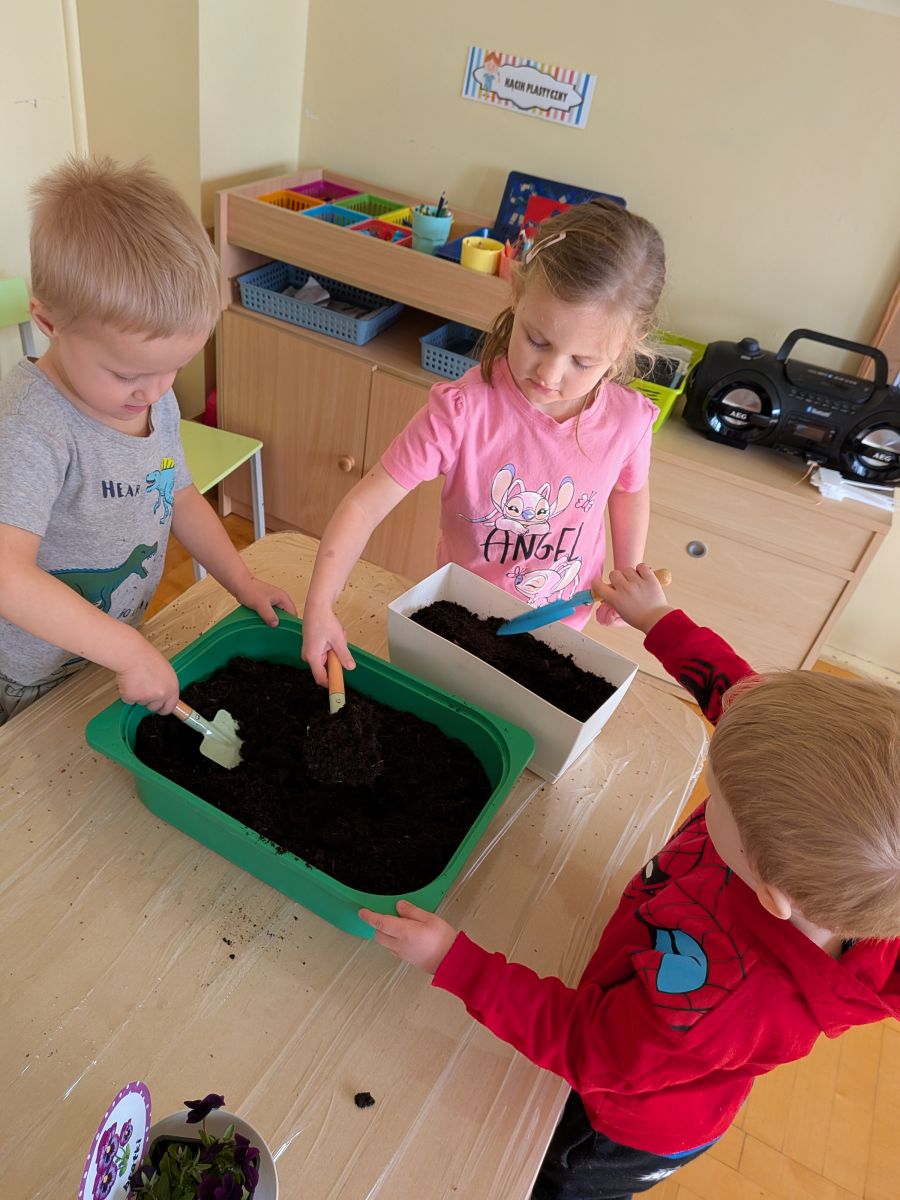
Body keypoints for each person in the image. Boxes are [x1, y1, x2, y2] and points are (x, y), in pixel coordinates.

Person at [359, 564, 900, 1200]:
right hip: (649, 991)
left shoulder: (719, 1001)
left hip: (618, 1125)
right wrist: (660, 621)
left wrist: (454, 961)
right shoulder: (804, 824)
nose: (716, 763)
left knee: (543, 1170)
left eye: (718, 792)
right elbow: (747, 711)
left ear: (770, 893)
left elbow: (588, 1045)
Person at [301, 199, 667, 684]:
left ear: (628, 345)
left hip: (564, 626)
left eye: (582, 362)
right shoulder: (462, 412)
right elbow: (364, 506)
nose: (549, 373)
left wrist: (629, 570)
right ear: (517, 291)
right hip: (462, 620)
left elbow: (628, 489)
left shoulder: (629, 421)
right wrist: (320, 605)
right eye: (537, 340)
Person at [0, 157, 295, 725]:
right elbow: (9, 578)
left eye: (174, 368)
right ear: (49, 323)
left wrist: (243, 582)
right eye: (128, 374)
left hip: (111, 649)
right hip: (34, 677)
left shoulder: (151, 397)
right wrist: (127, 649)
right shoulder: (32, 425)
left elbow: (177, 495)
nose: (156, 392)